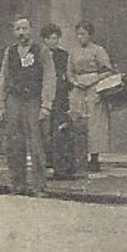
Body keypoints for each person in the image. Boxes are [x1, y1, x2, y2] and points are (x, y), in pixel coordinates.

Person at [0, 16, 55, 196]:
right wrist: (1, 104)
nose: (21, 33)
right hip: (14, 101)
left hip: (33, 101)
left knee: (36, 144)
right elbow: (3, 78)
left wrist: (46, 104)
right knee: (13, 144)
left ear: (31, 30)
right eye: (17, 29)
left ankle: (39, 186)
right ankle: (18, 185)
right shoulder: (10, 52)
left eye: (24, 29)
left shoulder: (41, 51)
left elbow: (49, 78)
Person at [68, 21, 115, 173]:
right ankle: (79, 157)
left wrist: (93, 79)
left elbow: (108, 70)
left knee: (94, 123)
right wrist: (75, 81)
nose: (80, 37)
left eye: (83, 34)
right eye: (78, 34)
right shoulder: (73, 52)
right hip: (78, 89)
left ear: (90, 35)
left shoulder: (98, 50)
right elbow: (69, 72)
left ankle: (94, 158)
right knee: (78, 120)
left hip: (94, 88)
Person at [40, 24, 79, 180]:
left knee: (61, 132)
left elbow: (68, 76)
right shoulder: (39, 54)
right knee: (45, 133)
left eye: (55, 38)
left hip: (61, 98)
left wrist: (69, 83)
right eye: (50, 38)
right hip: (44, 97)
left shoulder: (63, 55)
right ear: (44, 40)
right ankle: (47, 164)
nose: (53, 41)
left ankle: (62, 167)